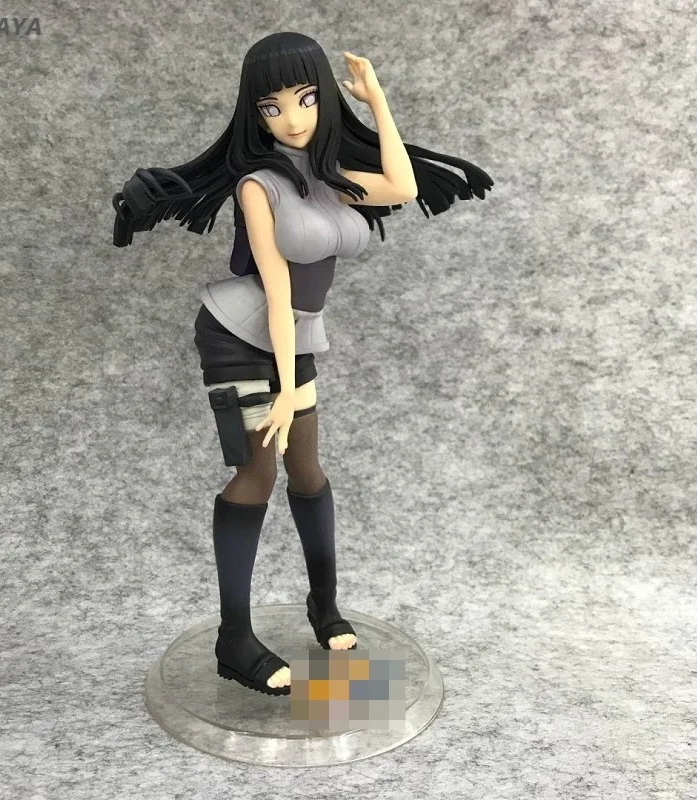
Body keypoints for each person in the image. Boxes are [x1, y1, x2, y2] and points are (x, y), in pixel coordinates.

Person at [112, 31, 493, 696]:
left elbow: (402, 185)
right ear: (254, 113)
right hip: (240, 334)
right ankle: (234, 639)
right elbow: (276, 287)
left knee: (309, 470)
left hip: (298, 337)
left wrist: (374, 98)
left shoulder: (329, 180)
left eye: (307, 98)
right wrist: (286, 389)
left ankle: (325, 604)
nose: (292, 118)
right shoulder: (257, 186)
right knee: (257, 472)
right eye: (272, 107)